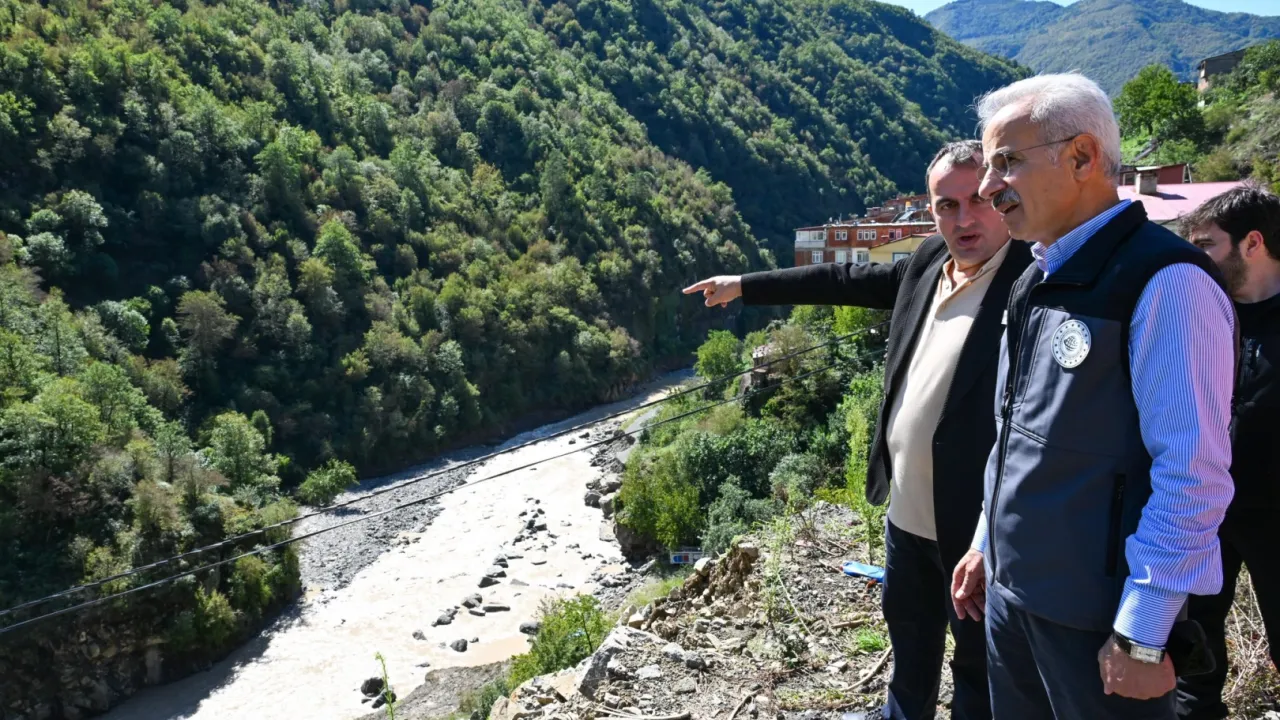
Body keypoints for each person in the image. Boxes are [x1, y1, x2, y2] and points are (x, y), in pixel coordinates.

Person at [684, 140, 1033, 720]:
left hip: (974, 530)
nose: (963, 219)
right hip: (907, 516)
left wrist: (988, 538)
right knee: (910, 652)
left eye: (976, 200)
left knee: (979, 669)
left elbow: (1034, 429)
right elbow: (842, 279)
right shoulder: (929, 262)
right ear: (931, 210)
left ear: (1000, 197)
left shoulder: (1030, 283)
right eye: (946, 205)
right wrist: (747, 284)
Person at [949, 72, 1236, 719]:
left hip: (1097, 620)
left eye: (1007, 163)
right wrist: (986, 541)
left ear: (1081, 157)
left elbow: (1192, 476)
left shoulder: (1166, 283)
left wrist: (1141, 632)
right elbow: (1014, 432)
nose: (989, 188)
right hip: (1015, 599)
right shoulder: (1036, 278)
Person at [1175, 183, 1280, 720]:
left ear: (1252, 243)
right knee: (1194, 648)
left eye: (1206, 245)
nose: (1196, 260)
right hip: (1205, 512)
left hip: (1275, 518)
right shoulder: (1201, 316)